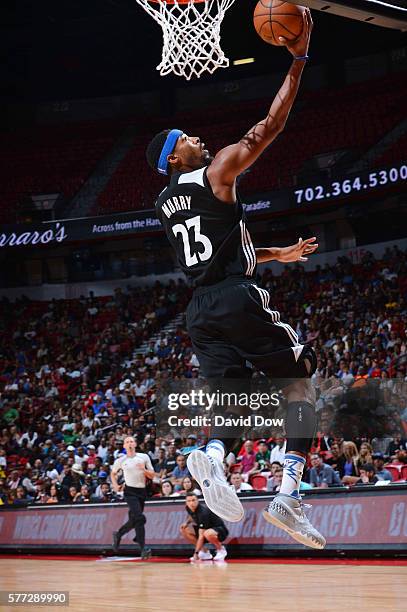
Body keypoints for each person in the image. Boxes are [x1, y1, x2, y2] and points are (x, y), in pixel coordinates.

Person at [146, 9, 324, 549]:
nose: (198, 137)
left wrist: (275, 253)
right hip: (236, 299)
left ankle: (216, 455)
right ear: (175, 156)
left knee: (237, 395)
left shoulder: (163, 202)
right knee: (301, 383)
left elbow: (218, 248)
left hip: (200, 309)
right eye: (187, 137)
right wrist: (298, 60)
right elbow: (270, 126)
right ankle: (288, 490)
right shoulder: (219, 167)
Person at [110, 436, 155, 559]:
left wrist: (143, 470)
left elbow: (152, 475)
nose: (129, 443)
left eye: (131, 441)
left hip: (142, 491)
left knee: (135, 520)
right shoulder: (121, 460)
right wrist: (115, 485)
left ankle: (118, 534)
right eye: (127, 442)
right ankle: (143, 548)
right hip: (129, 491)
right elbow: (113, 474)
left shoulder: (144, 457)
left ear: (135, 444)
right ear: (124, 446)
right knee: (140, 518)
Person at [180, 493, 229, 562]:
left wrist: (196, 553)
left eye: (193, 500)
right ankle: (205, 552)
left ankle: (221, 549)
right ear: (186, 502)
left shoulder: (203, 513)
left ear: (198, 501)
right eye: (189, 501)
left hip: (220, 531)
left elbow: (201, 536)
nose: (191, 503)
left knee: (207, 533)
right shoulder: (188, 508)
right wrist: (187, 523)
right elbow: (191, 516)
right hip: (206, 530)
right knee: (184, 529)